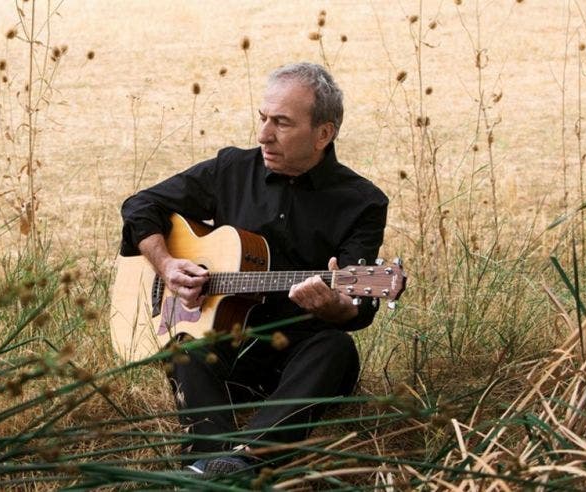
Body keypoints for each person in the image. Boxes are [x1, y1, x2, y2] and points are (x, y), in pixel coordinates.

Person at [119, 62, 388, 476]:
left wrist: (335, 305)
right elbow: (141, 206)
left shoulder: (362, 203)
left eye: (281, 123)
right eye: (263, 118)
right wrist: (168, 265)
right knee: (185, 345)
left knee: (336, 348)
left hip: (294, 359)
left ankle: (247, 460)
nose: (264, 135)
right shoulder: (232, 170)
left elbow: (359, 306)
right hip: (224, 351)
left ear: (323, 134)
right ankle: (205, 459)